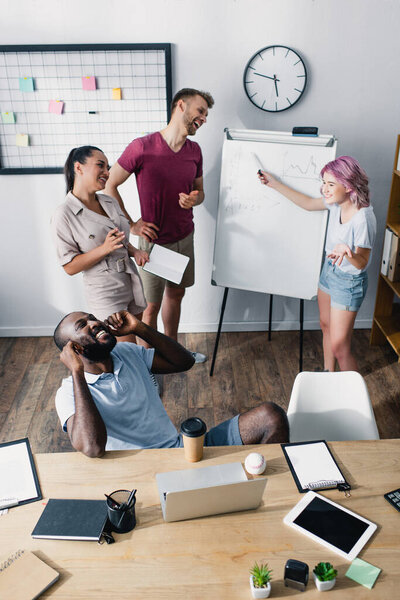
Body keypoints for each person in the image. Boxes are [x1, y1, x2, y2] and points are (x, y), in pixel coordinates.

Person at [53, 310, 289, 457]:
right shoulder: (68, 394)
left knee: (271, 416)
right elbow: (92, 447)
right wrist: (77, 372)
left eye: (92, 318)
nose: (93, 323)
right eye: (82, 326)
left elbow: (184, 362)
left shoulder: (127, 352)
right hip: (140, 472)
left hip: (180, 449)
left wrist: (139, 328)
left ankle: (274, 495)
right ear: (74, 349)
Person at [105, 88, 215, 362]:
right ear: (181, 106)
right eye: (200, 111)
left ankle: (173, 352)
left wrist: (194, 199)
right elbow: (109, 184)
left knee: (176, 295)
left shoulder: (194, 151)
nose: (203, 118)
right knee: (149, 308)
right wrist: (132, 224)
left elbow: (200, 192)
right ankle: (150, 363)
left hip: (184, 237)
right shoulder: (142, 147)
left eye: (206, 115)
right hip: (152, 245)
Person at [259, 156, 376, 373]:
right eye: (324, 182)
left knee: (341, 347)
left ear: (349, 186)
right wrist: (274, 183)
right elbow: (306, 203)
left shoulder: (363, 218)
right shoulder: (334, 204)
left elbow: (362, 262)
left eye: (331, 184)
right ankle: (328, 374)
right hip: (329, 271)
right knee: (325, 326)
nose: (324, 189)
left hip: (349, 282)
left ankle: (352, 395)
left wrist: (346, 252)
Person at [51, 146, 149, 343]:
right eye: (100, 165)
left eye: (108, 167)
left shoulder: (109, 202)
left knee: (138, 343)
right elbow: (69, 267)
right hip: (105, 292)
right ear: (78, 167)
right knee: (126, 348)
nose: (107, 172)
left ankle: (144, 374)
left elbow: (119, 239)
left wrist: (134, 250)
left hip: (130, 281)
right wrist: (103, 249)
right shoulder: (64, 214)